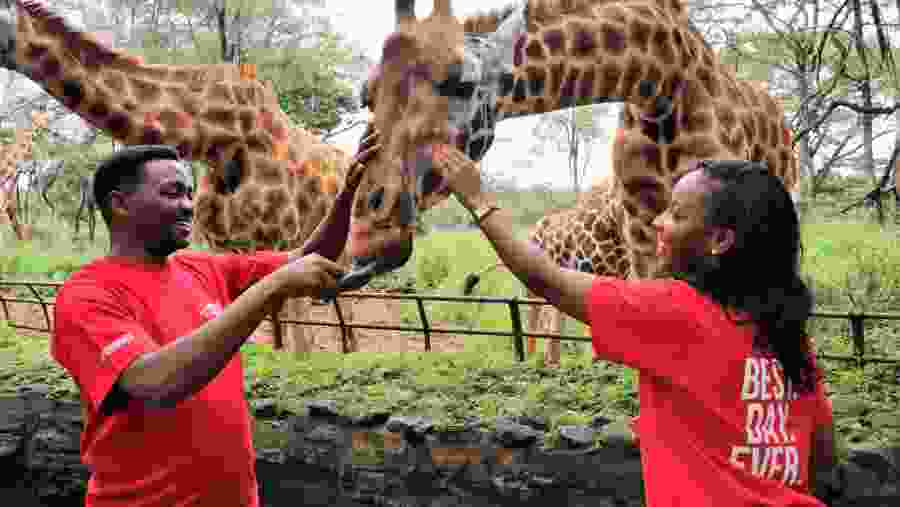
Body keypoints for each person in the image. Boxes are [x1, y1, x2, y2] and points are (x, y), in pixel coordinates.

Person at [432, 145, 836, 507]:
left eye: (677, 214)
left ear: (720, 240)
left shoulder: (675, 313)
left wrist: (478, 200)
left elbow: (545, 278)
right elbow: (821, 455)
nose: (659, 221)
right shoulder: (786, 332)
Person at [51, 134, 378, 507]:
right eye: (172, 193)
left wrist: (347, 195)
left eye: (189, 193)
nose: (188, 205)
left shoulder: (201, 268)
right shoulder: (88, 294)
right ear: (120, 204)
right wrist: (270, 289)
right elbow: (154, 384)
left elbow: (309, 259)